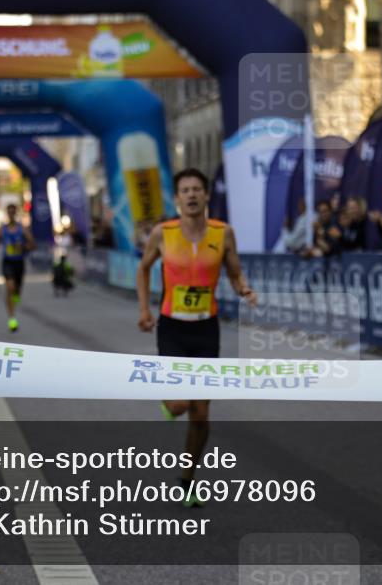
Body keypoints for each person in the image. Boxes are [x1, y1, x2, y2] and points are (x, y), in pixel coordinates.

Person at [136, 168, 257, 508]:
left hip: (206, 328)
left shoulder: (223, 233)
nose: (191, 195)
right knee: (178, 405)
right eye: (185, 190)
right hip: (173, 326)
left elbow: (234, 272)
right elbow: (143, 269)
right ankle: (172, 399)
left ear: (205, 196)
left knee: (201, 416)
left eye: (196, 190)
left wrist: (243, 288)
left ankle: (187, 479)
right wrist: (145, 310)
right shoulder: (163, 233)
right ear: (176, 199)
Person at [0, 203, 36, 332]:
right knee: (10, 288)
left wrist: (26, 246)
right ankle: (12, 319)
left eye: (13, 211)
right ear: (7, 214)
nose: (11, 214)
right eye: (9, 212)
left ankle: (15, 297)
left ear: (16, 213)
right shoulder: (3, 229)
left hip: (19, 262)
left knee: (17, 291)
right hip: (7, 262)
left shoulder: (22, 229)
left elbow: (32, 244)